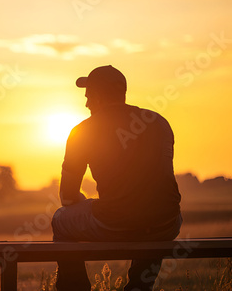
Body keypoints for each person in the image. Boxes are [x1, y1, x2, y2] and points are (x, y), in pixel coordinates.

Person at [51, 65, 182, 291]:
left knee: (60, 219)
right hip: (168, 223)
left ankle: (76, 288)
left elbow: (67, 197)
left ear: (99, 97)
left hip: (117, 222)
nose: (86, 104)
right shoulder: (159, 122)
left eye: (89, 96)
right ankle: (140, 286)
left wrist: (90, 204)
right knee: (153, 219)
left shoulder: (83, 131)